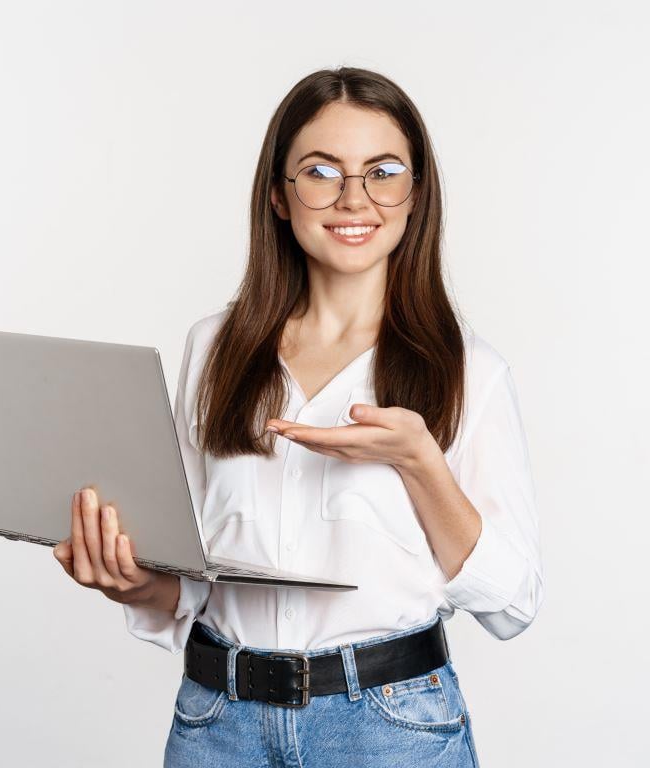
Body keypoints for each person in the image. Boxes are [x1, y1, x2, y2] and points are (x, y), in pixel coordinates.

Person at [53, 65, 543, 767]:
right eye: (319, 171)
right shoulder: (214, 347)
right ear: (280, 197)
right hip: (216, 721)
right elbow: (193, 575)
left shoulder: (469, 370)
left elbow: (511, 603)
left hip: (389, 730)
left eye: (383, 171)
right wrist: (130, 581)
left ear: (415, 195)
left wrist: (418, 462)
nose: (354, 198)